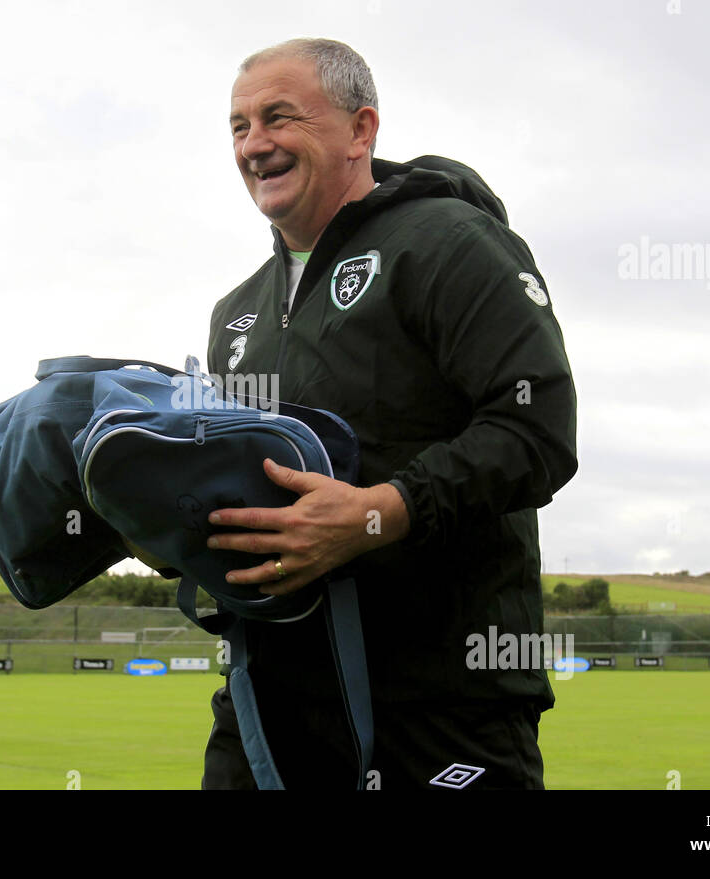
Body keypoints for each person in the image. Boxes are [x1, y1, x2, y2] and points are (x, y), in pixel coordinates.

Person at [199, 38, 578, 790]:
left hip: (442, 704)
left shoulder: (447, 242)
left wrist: (380, 510)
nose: (255, 144)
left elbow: (538, 425)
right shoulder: (235, 314)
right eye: (238, 127)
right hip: (271, 699)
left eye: (279, 117)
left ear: (361, 130)